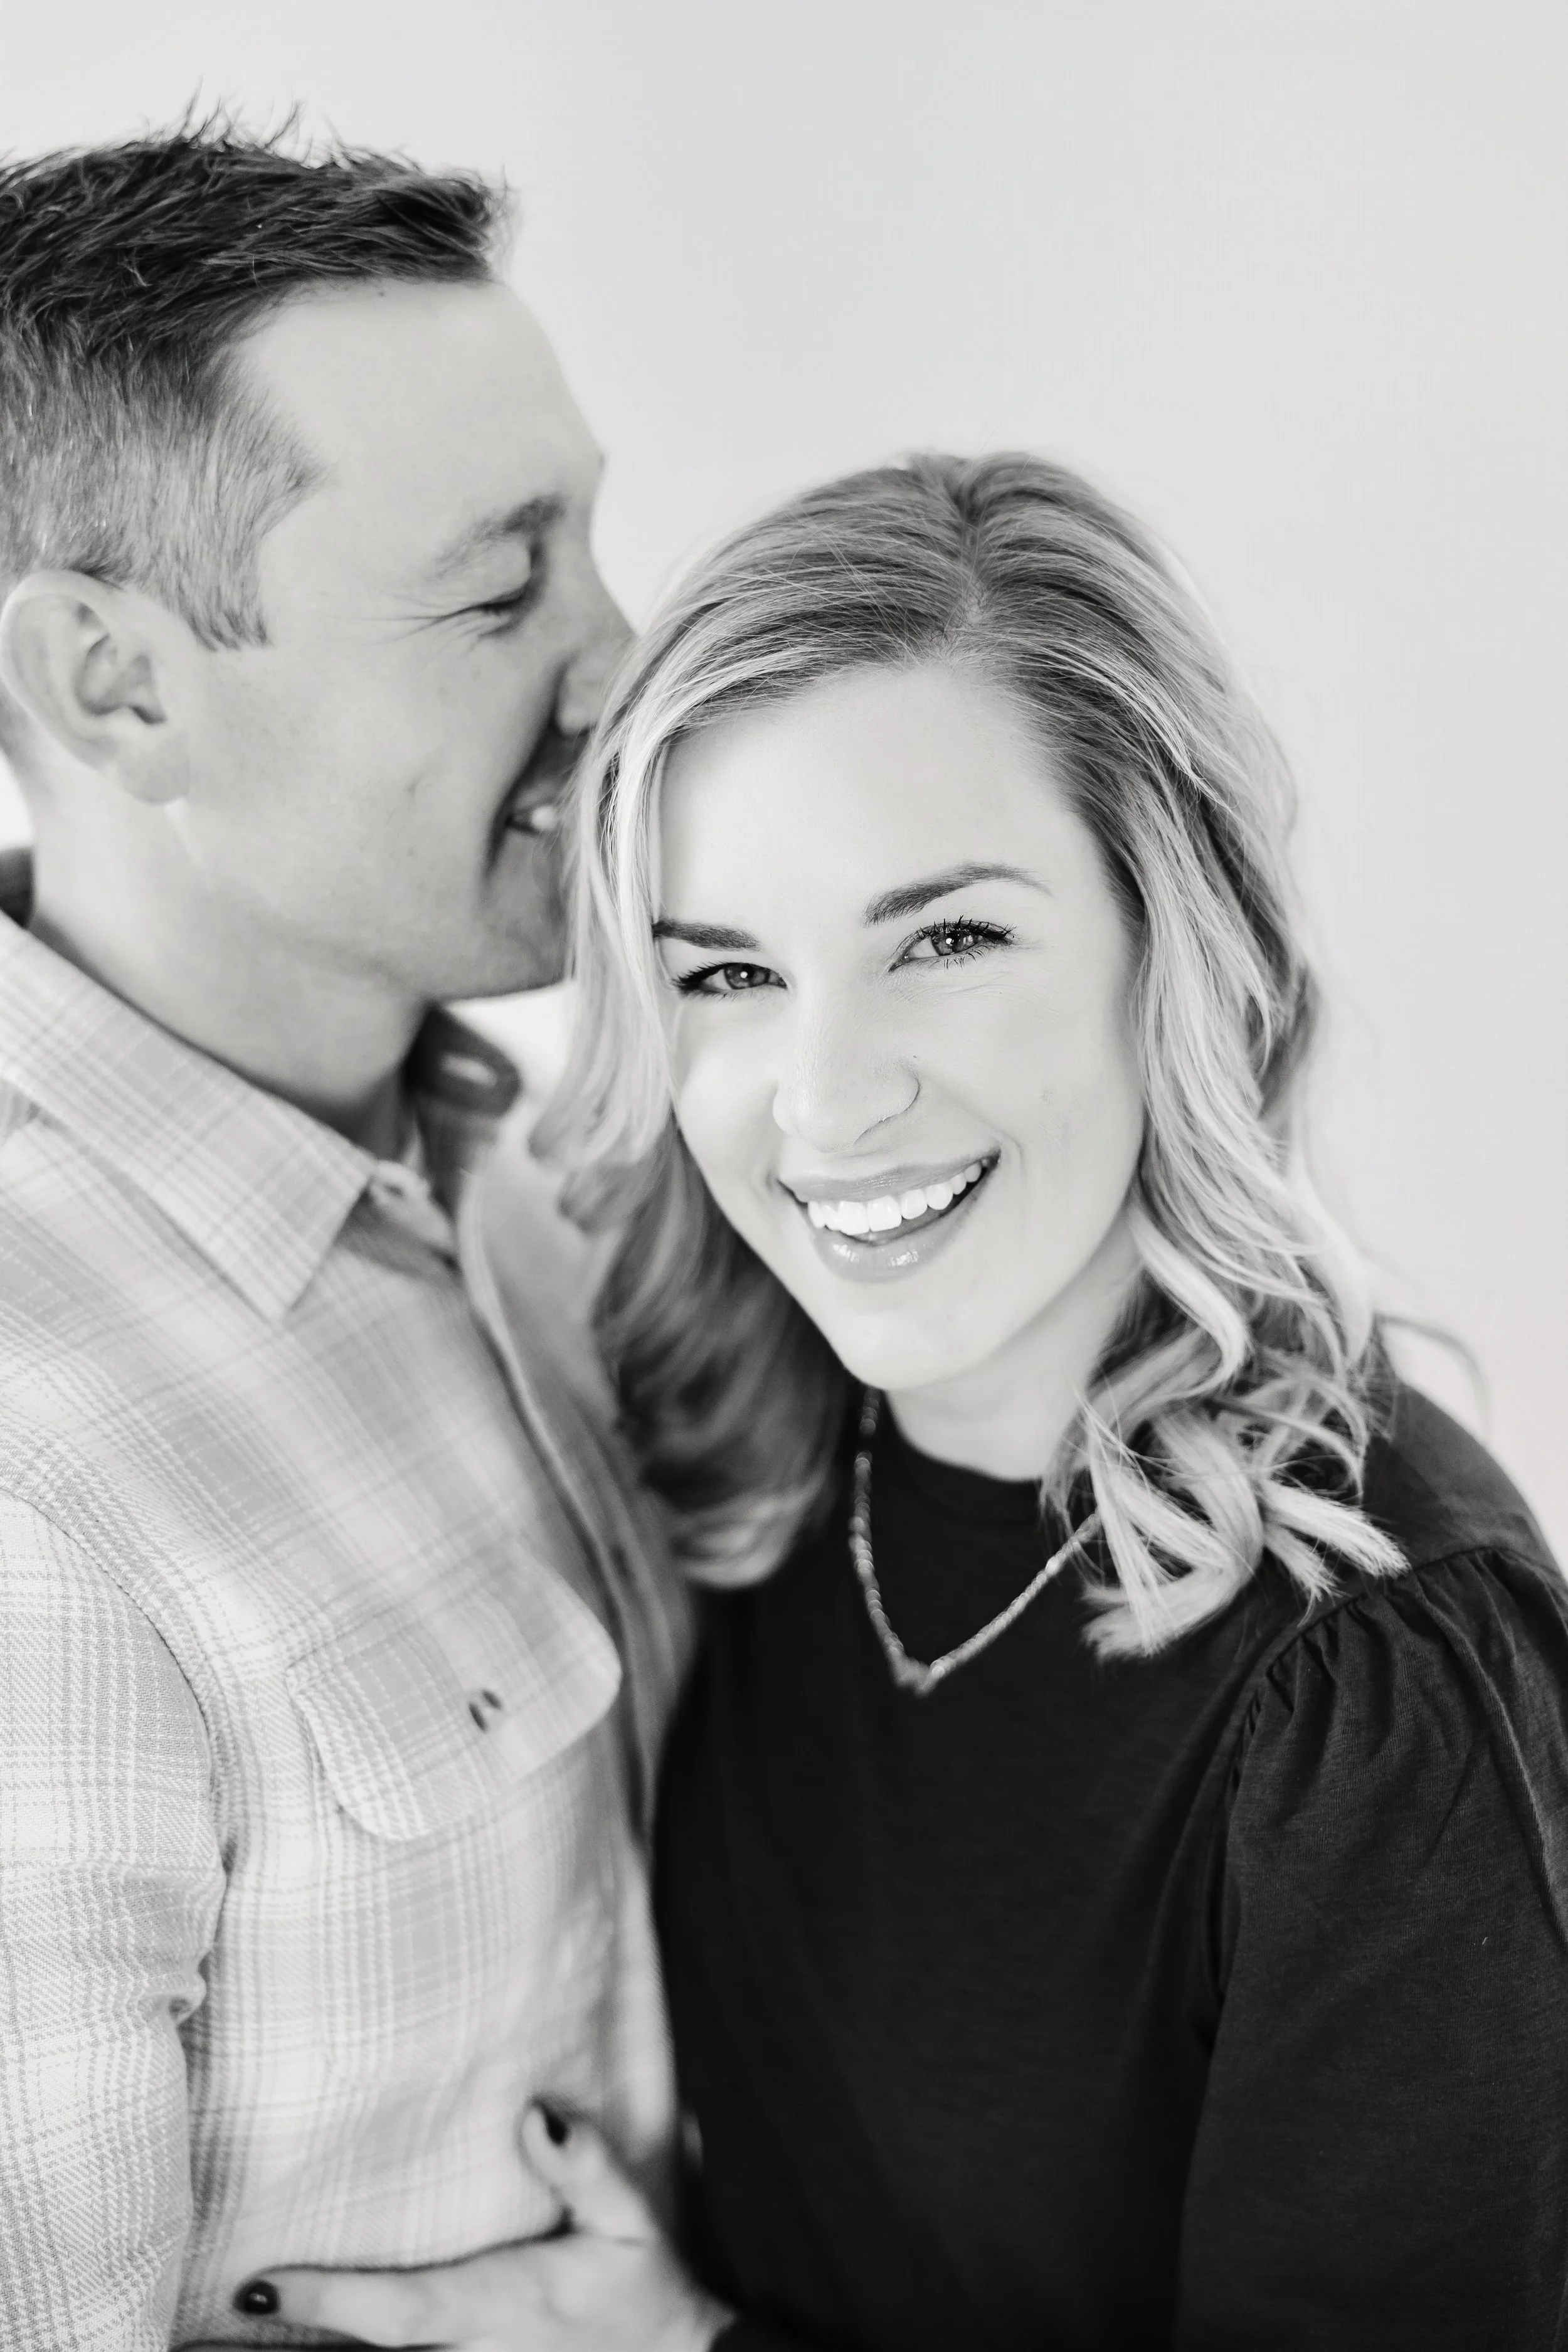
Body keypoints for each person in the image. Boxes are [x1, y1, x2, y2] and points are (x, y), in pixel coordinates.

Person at [262, 452, 1568, 2351]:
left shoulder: (1375, 1677)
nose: (825, 1098)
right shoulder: (747, 1441)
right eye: (728, 971)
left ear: (1167, 938)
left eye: (945, 941)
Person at [0, 119, 691, 2350]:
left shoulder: (553, 1177)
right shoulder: (30, 1493)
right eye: (496, 594)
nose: (624, 661)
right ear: (116, 685)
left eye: (585, 550)